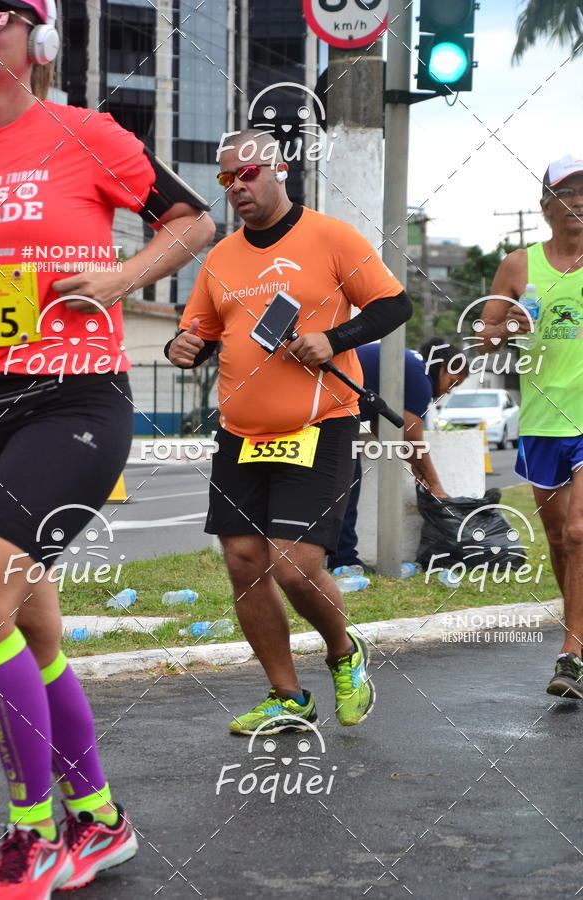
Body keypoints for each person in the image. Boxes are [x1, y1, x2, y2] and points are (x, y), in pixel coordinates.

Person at [0, 1, 215, 895]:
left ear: (38, 39)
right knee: (26, 625)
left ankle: (33, 836)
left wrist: (121, 278)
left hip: (71, 399)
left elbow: (192, 220)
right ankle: (102, 819)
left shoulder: (85, 134)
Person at [166, 129, 411, 735]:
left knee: (295, 566)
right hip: (241, 433)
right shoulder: (220, 257)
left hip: (319, 424)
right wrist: (182, 345)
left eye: (246, 175)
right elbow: (197, 333)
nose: (236, 188)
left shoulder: (329, 236)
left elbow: (392, 305)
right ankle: (287, 696)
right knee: (244, 562)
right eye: (225, 180)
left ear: (280, 170)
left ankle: (343, 653)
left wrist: (334, 338)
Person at [480, 154, 583, 699]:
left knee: (579, 531)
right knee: (560, 543)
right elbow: (483, 335)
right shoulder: (519, 266)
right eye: (569, 193)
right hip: (544, 421)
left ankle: (572, 654)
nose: (581, 202)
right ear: (547, 206)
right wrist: (507, 327)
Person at [329, 339, 468, 572]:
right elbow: (413, 439)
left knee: (343, 484)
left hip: (327, 407)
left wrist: (414, 463)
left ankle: (337, 557)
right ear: (443, 367)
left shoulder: (408, 364)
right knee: (347, 484)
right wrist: (435, 485)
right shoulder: (420, 379)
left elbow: (382, 429)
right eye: (452, 382)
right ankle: (343, 560)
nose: (448, 391)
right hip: (330, 412)